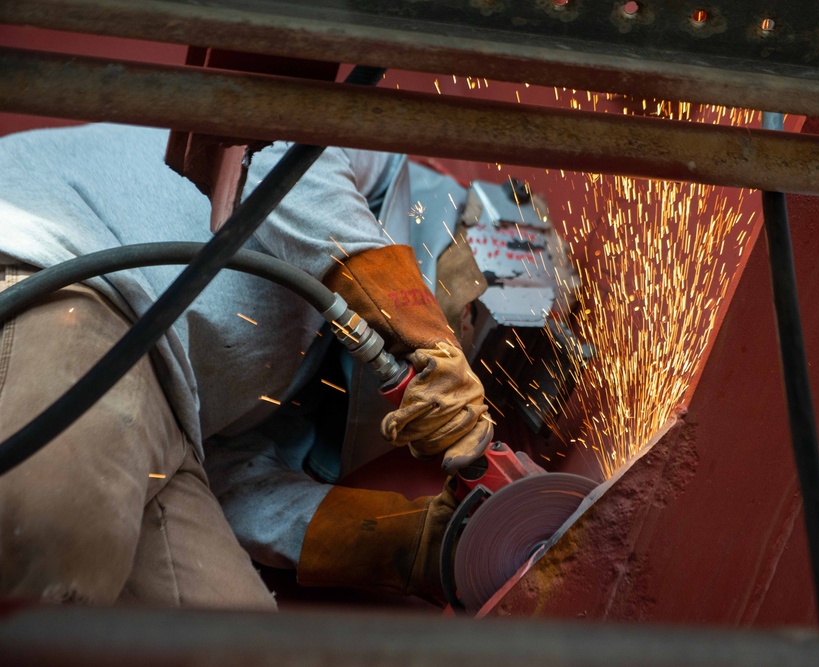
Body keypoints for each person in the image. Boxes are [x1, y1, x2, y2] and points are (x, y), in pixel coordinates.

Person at [0, 123, 492, 608]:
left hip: (174, 420)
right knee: (48, 533)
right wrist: (411, 314)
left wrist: (409, 545)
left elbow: (234, 480)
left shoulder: (317, 385)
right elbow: (274, 147)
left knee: (241, 648)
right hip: (73, 275)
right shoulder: (380, 161)